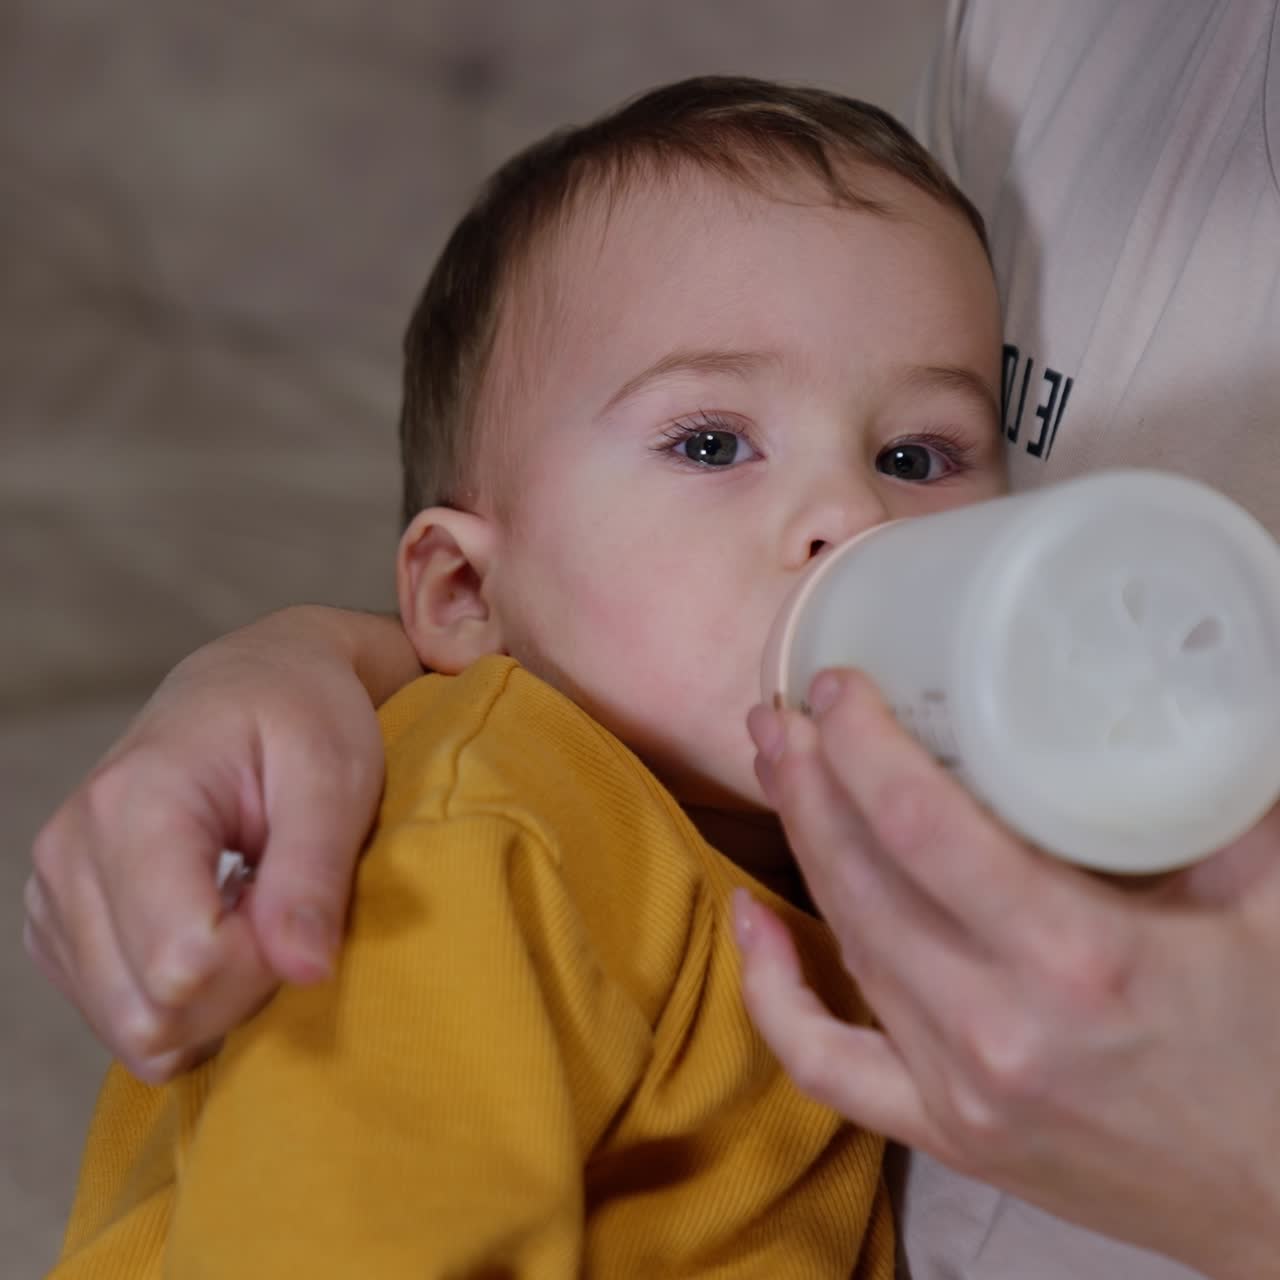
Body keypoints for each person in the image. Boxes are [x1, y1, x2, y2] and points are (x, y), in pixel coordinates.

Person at [25, 1, 1280, 1277]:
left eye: (915, 455)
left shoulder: (852, 862)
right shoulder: (492, 837)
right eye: (710, 441)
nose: (849, 515)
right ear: (463, 591)